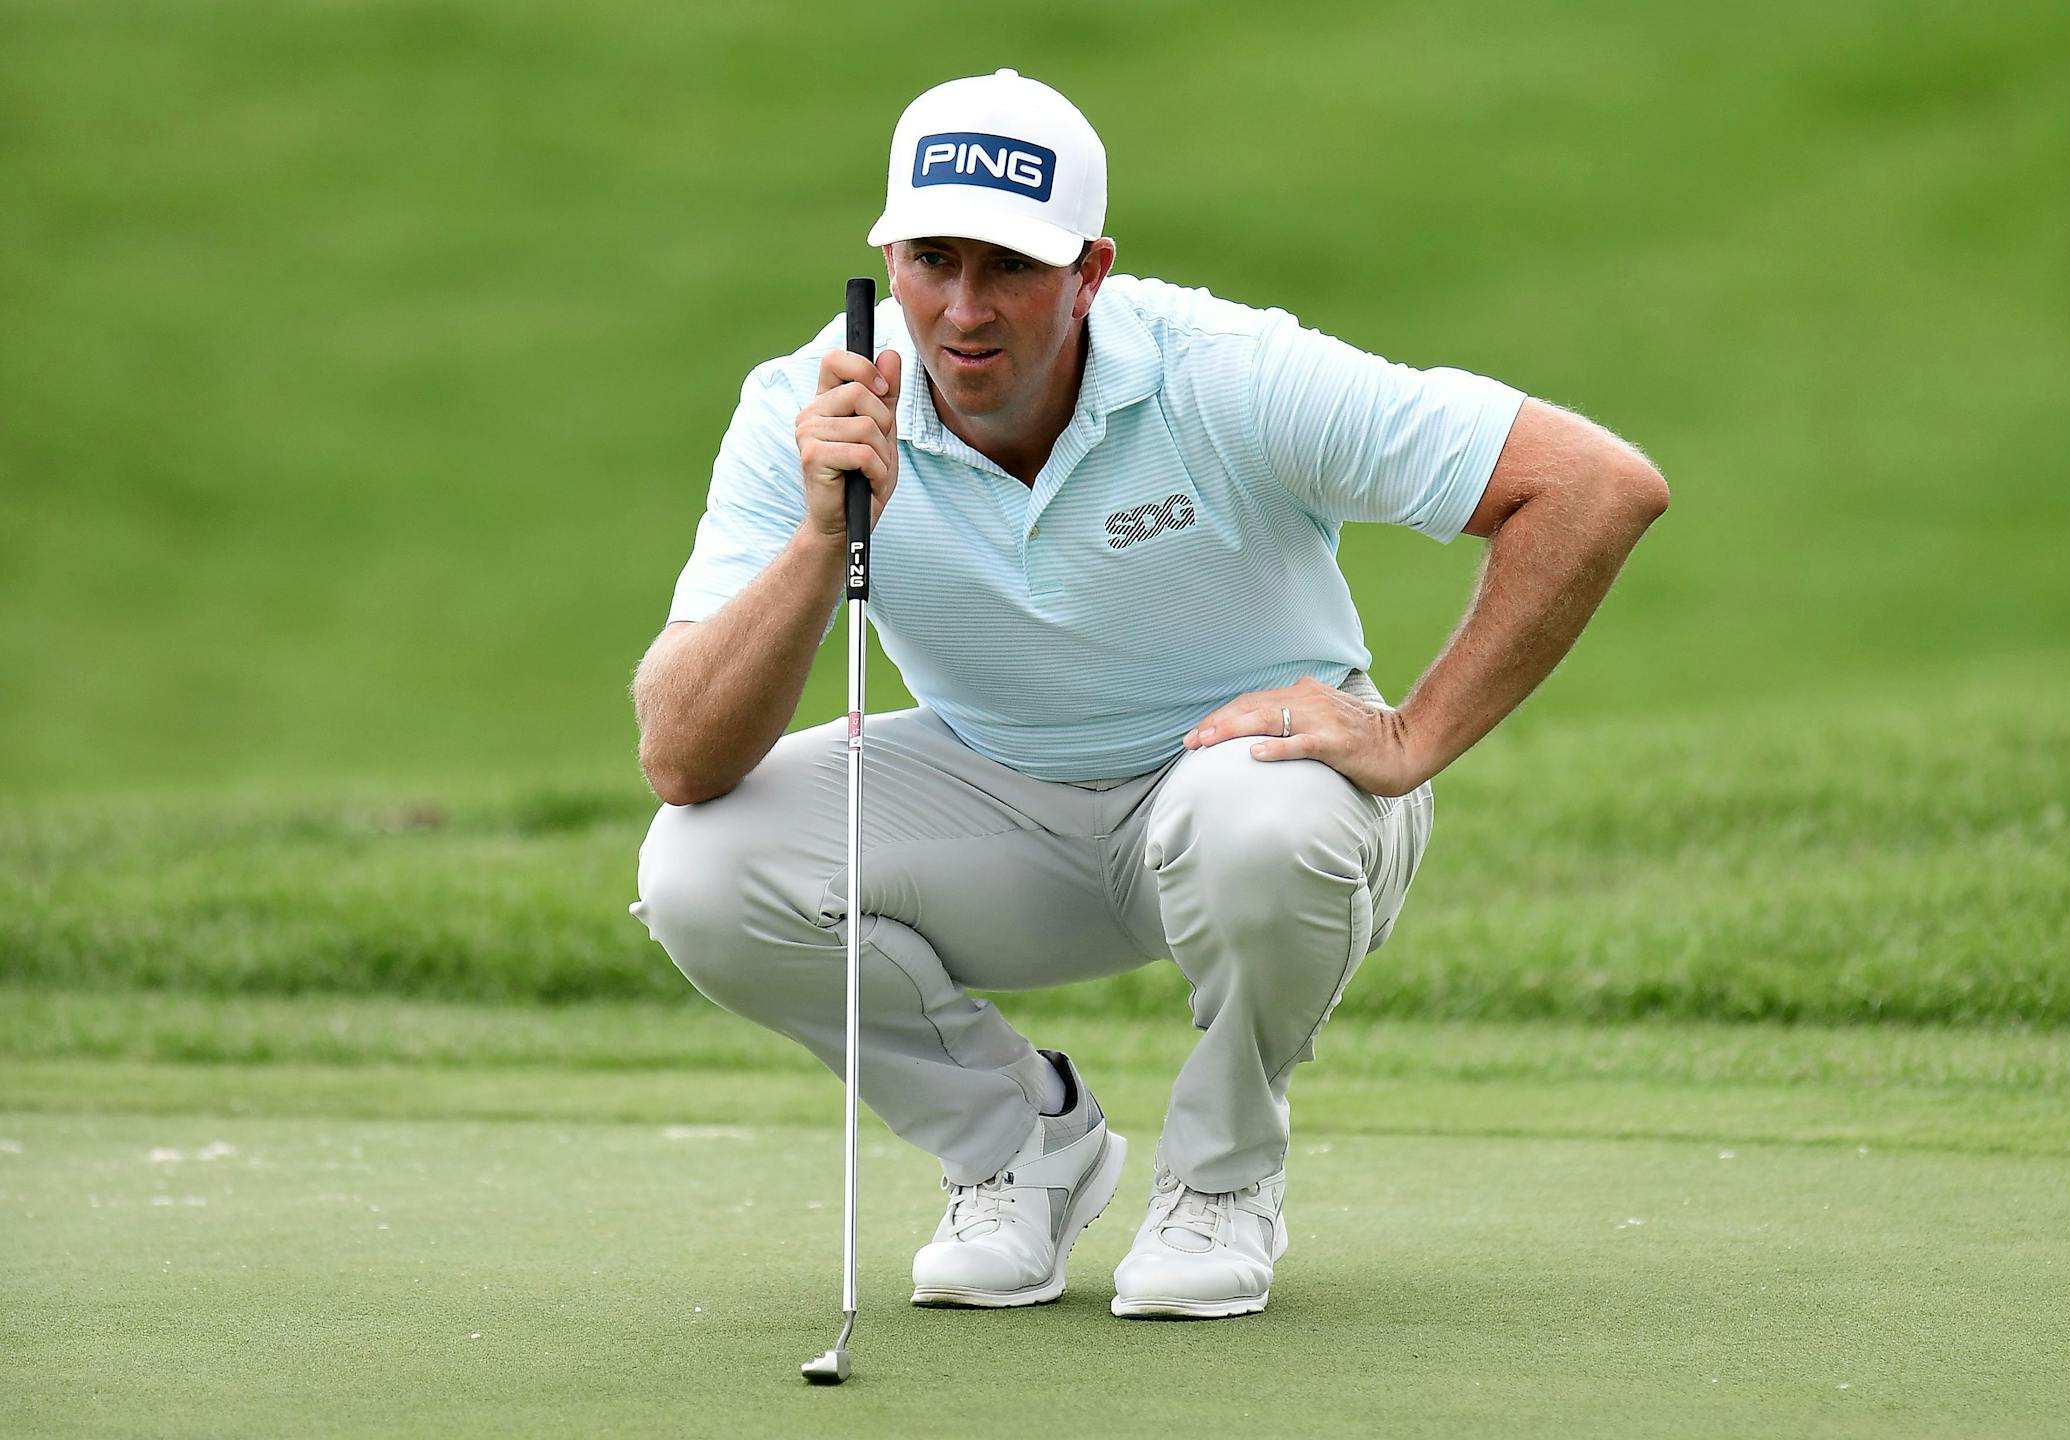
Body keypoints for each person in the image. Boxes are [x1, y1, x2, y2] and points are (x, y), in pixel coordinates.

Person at [629, 68, 1667, 1320]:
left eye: (1012, 266)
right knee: (698, 867)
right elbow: (682, 754)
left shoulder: (1224, 372)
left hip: (1253, 793)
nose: (964, 309)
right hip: (1002, 805)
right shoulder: (810, 411)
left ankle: (1222, 1178)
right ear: (888, 259)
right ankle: (1020, 1146)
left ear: (1089, 273)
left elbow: (1593, 485)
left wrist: (1411, 736)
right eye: (932, 260)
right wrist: (817, 540)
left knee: (1260, 820)